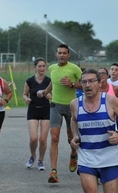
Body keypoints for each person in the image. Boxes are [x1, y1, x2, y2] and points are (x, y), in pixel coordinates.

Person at [37, 44, 82, 183]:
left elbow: (85, 84)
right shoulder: (52, 68)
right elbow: (53, 83)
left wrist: (72, 84)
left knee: (71, 138)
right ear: (56, 54)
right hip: (55, 105)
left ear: (68, 55)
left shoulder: (75, 69)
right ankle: (54, 172)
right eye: (59, 53)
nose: (62, 55)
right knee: (54, 137)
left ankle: (73, 154)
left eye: (64, 53)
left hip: (71, 107)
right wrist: (45, 92)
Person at [23, 57, 51, 171]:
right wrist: (26, 99)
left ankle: (41, 160)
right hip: (33, 110)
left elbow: (54, 95)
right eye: (39, 66)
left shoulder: (49, 81)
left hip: (46, 110)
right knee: (34, 138)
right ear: (35, 67)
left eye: (44, 66)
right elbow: (24, 94)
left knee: (43, 139)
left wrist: (50, 96)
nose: (42, 68)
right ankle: (32, 155)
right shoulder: (30, 81)